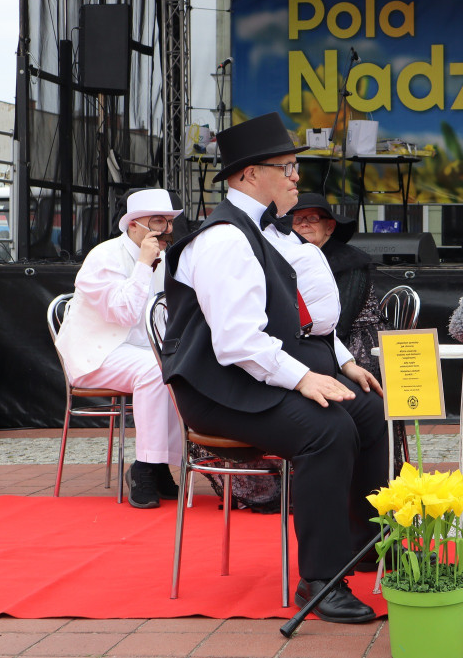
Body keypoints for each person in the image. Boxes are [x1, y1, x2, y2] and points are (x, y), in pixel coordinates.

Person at [161, 112, 387, 624]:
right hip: (217, 387)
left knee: (369, 411)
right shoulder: (224, 239)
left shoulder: (273, 233)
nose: (295, 177)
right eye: (285, 167)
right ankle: (322, 579)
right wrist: (306, 378)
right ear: (247, 175)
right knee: (327, 430)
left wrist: (342, 362)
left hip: (254, 373)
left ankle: (368, 543)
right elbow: (239, 342)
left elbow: (311, 321)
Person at [54, 188, 184, 509]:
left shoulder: (164, 259)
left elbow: (165, 315)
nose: (166, 230)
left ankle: (159, 465)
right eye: (158, 222)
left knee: (180, 366)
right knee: (156, 371)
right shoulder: (104, 256)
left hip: (137, 352)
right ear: (135, 225)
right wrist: (143, 264)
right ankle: (145, 469)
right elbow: (123, 313)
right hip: (95, 353)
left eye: (168, 222)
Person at [291, 193, 381, 375]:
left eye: (313, 218)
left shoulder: (350, 262)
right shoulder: (293, 258)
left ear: (329, 227)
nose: (304, 224)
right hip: (315, 339)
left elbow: (340, 323)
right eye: (297, 219)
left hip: (358, 344)